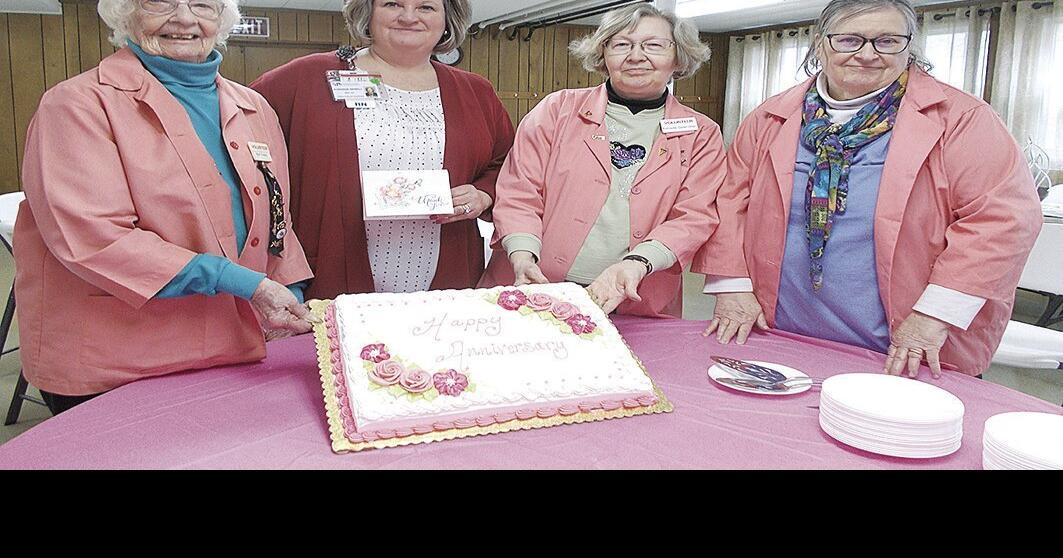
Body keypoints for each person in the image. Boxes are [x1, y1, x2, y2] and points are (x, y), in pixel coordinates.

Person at [694, 0, 1041, 378]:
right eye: (849, 40)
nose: (867, 54)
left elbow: (1002, 220)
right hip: (780, 331)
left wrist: (934, 315)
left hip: (904, 343)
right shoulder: (769, 118)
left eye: (887, 41)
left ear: (909, 45)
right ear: (820, 43)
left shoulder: (963, 120)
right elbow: (729, 203)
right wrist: (732, 285)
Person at [14, 0, 314, 414]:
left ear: (222, 19)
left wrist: (289, 290)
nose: (185, 18)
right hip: (119, 362)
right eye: (161, 1)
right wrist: (243, 283)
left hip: (236, 349)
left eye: (203, 4)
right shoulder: (76, 104)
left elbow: (277, 218)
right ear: (125, 13)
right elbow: (96, 237)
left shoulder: (254, 107)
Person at [251, 0, 514, 298]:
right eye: (392, 4)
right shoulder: (306, 78)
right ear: (369, 12)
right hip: (329, 275)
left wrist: (483, 194)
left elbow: (507, 165)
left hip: (447, 280)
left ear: (447, 19)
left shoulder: (476, 93)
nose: (409, 17)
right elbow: (238, 125)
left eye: (426, 7)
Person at [481, 4, 729, 318]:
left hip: (638, 299)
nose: (636, 56)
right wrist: (522, 254)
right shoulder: (557, 110)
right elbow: (519, 191)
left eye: (653, 45)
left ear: (678, 57)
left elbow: (693, 216)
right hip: (533, 286)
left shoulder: (702, 133)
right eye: (621, 44)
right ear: (603, 54)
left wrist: (639, 263)